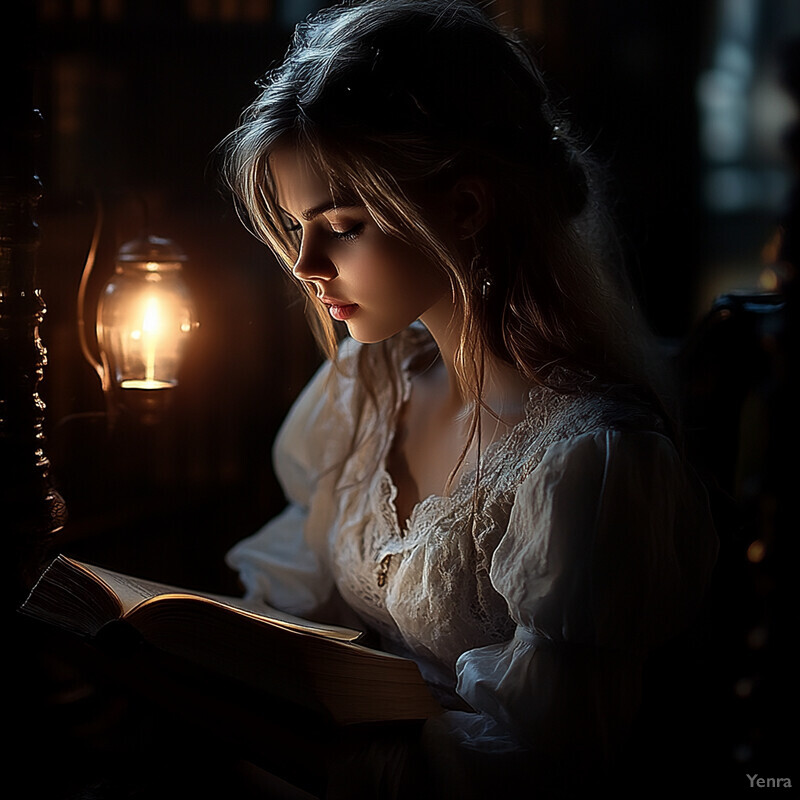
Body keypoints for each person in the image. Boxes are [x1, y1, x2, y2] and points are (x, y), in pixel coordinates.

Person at [220, 0, 718, 795]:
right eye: (293, 226)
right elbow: (295, 574)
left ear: (464, 209)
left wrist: (308, 758)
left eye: (341, 225)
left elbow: (539, 764)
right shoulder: (370, 387)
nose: (306, 264)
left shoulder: (594, 463)